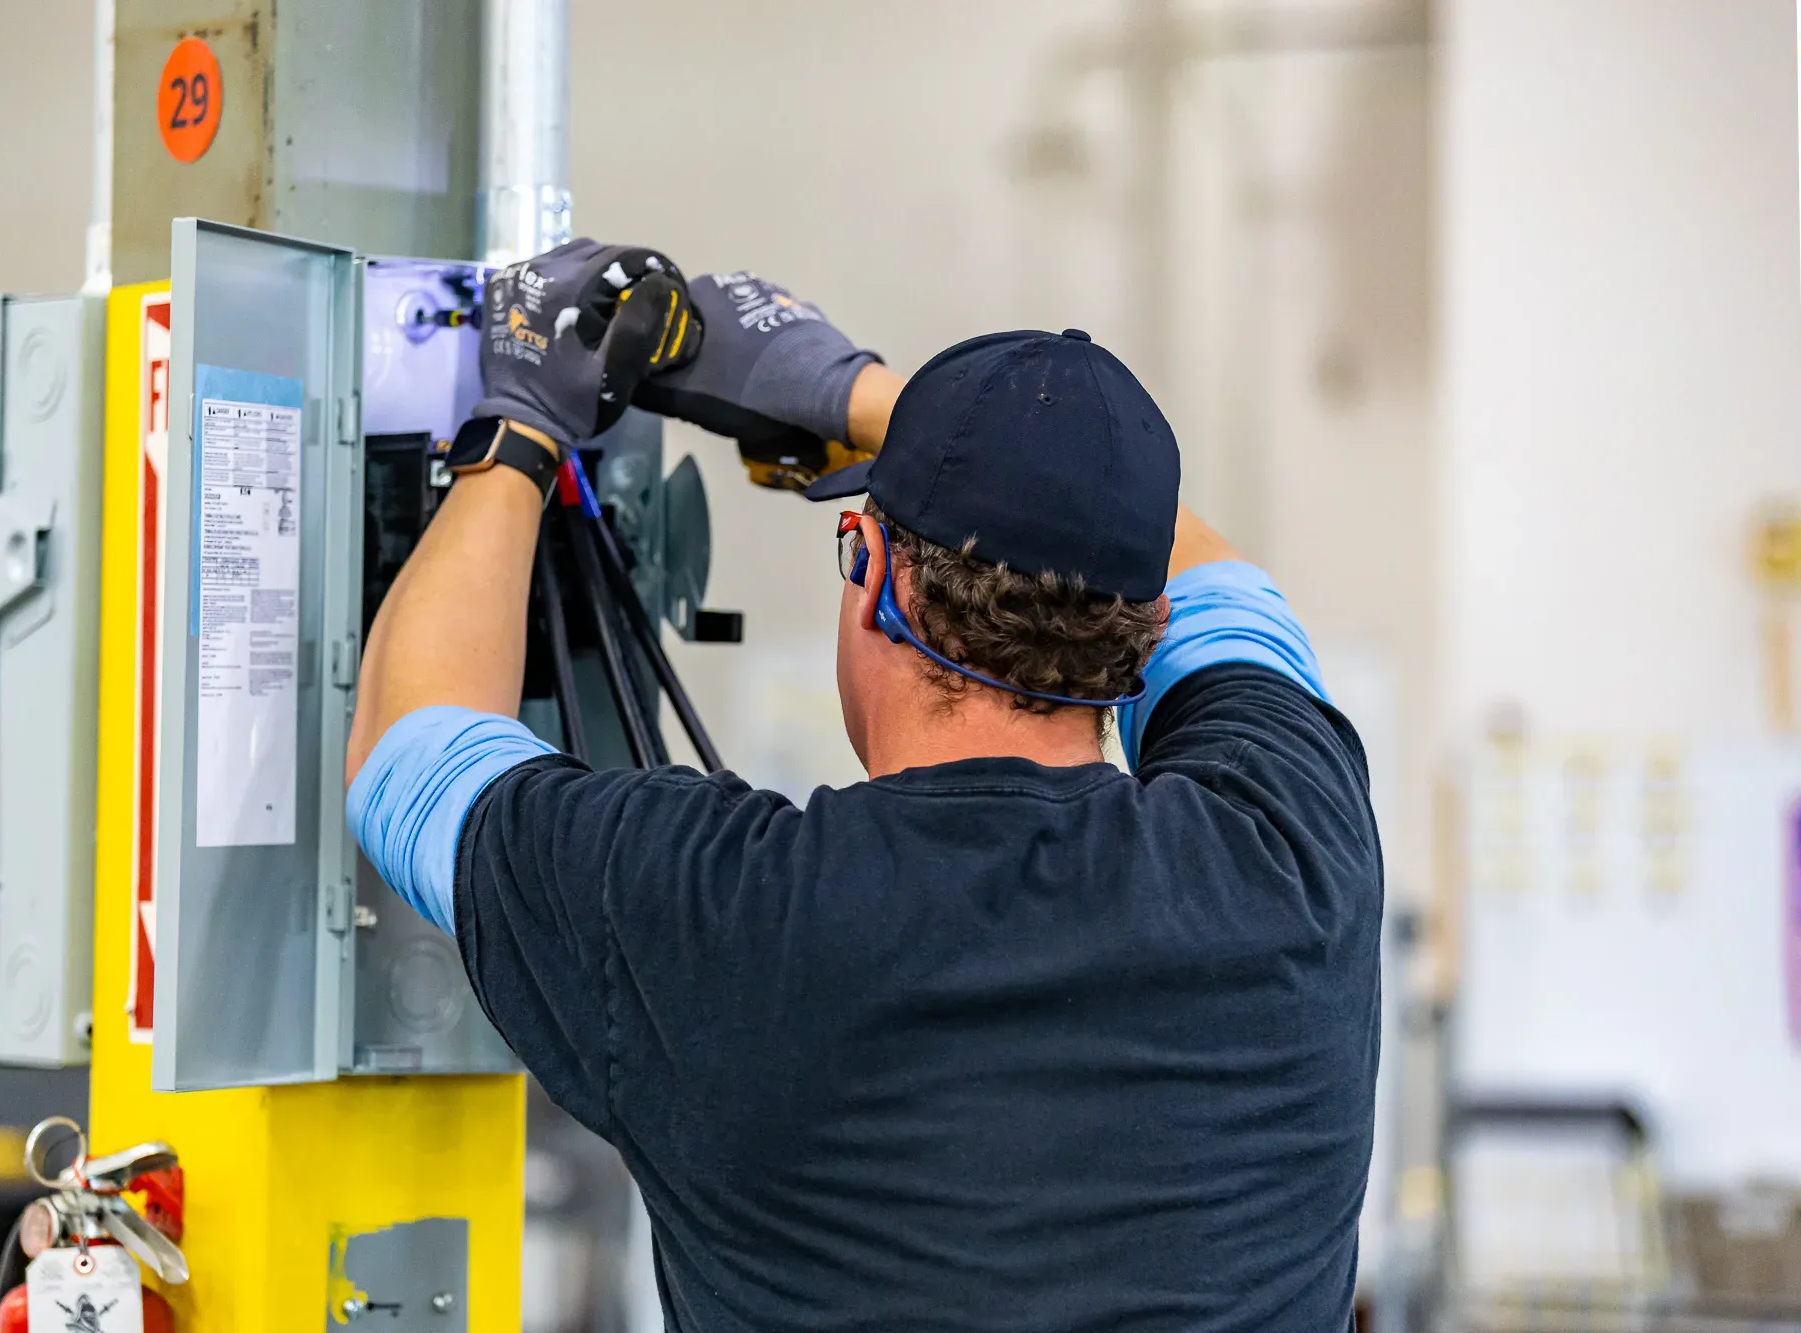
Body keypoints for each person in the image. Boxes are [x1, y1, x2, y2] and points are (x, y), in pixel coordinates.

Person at [347, 241, 1382, 1331]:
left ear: (872, 571)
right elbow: (1217, 589)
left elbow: (409, 748)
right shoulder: (1292, 859)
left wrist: (517, 426)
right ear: (1139, 633)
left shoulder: (725, 917)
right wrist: (892, 406)